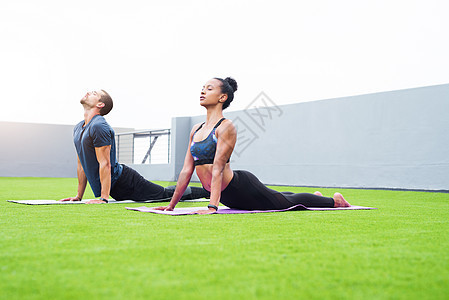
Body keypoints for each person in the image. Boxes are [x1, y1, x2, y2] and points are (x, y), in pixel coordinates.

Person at [156, 77, 350, 214]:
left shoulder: (225, 127)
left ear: (222, 97)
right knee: (279, 197)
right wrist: (171, 206)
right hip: (226, 197)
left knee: (285, 203)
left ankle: (335, 201)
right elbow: (186, 171)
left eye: (209, 88)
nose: (202, 91)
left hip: (241, 188)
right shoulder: (196, 130)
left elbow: (218, 169)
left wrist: (212, 207)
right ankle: (313, 196)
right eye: (202, 87)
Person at [61, 90, 209, 204]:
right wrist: (78, 196)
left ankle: (208, 192)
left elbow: (105, 163)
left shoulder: (99, 125)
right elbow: (81, 164)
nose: (88, 92)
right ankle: (208, 191)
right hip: (115, 188)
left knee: (165, 195)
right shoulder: (79, 127)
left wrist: (104, 198)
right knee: (164, 194)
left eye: (94, 93)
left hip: (125, 181)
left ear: (100, 105)